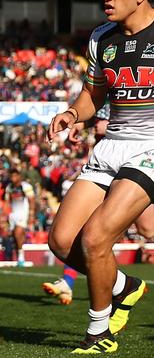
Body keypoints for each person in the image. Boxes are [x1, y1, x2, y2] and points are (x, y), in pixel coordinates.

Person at [46, 0, 154, 353]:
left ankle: (98, 332)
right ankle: (125, 286)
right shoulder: (101, 37)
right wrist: (73, 115)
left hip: (151, 146)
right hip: (111, 147)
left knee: (96, 238)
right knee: (61, 242)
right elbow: (93, 94)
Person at [44, 106, 154, 305]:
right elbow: (96, 109)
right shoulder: (107, 85)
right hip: (107, 163)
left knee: (147, 228)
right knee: (82, 237)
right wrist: (79, 121)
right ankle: (78, 284)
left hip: (142, 159)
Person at [4, 168, 35, 267]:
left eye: (15, 176)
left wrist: (31, 215)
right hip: (13, 214)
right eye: (11, 176)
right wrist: (5, 215)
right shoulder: (9, 188)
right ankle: (19, 258)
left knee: (18, 233)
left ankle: (21, 257)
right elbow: (7, 202)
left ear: (19, 176)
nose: (13, 178)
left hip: (23, 213)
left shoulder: (25, 187)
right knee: (15, 236)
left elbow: (32, 200)